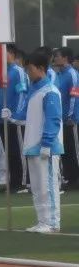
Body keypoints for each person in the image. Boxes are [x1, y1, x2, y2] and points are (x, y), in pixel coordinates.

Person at [22, 50, 64, 233]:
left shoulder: (50, 92)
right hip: (32, 146)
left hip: (45, 147)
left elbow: (53, 119)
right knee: (38, 188)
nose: (28, 73)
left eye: (30, 69)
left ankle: (52, 222)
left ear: (40, 69)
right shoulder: (35, 90)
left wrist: (47, 143)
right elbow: (30, 116)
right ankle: (42, 220)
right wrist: (14, 117)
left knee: (48, 186)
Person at [0, 45, 29, 193]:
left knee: (18, 151)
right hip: (3, 119)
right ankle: (14, 181)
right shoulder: (3, 71)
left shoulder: (18, 72)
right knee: (9, 152)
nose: (1, 56)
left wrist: (16, 116)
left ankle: (22, 182)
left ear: (11, 53)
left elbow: (22, 94)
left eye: (3, 53)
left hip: (15, 120)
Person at [51, 47, 78, 190]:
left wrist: (70, 115)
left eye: (57, 56)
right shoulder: (59, 74)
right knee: (65, 150)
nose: (55, 58)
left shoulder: (72, 74)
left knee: (74, 149)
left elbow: (74, 96)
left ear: (65, 58)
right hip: (61, 119)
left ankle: (76, 179)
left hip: (70, 120)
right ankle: (69, 178)